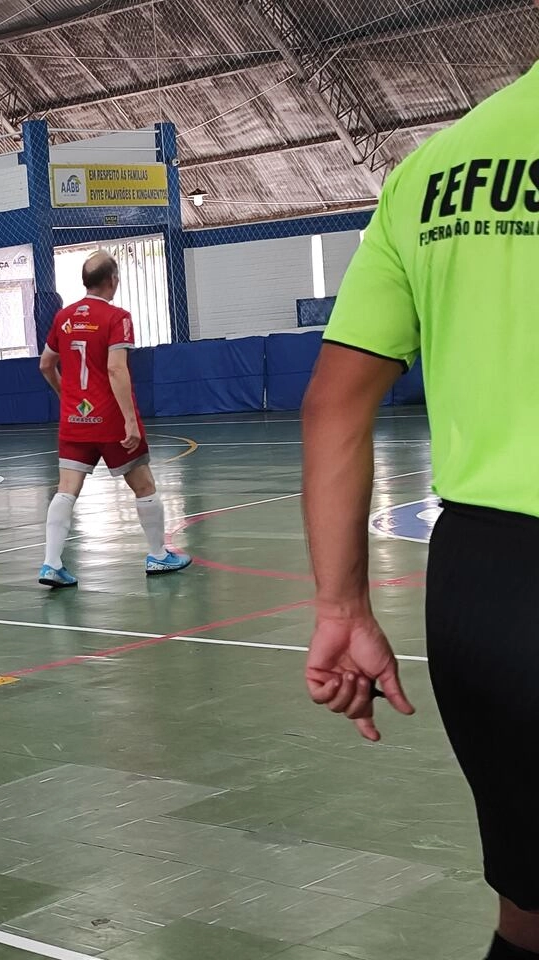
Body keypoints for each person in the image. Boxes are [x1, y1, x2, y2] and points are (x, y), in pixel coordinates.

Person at [301, 58, 539, 960]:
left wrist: (341, 606)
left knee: (528, 911)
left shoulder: (436, 169)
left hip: (483, 587)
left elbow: (334, 402)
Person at [37, 251, 191, 587]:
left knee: (66, 489)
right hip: (109, 419)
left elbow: (46, 364)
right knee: (144, 485)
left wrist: (67, 396)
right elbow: (115, 368)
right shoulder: (117, 316)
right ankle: (158, 556)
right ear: (113, 281)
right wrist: (130, 423)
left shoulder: (63, 317)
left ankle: (51, 564)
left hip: (75, 419)